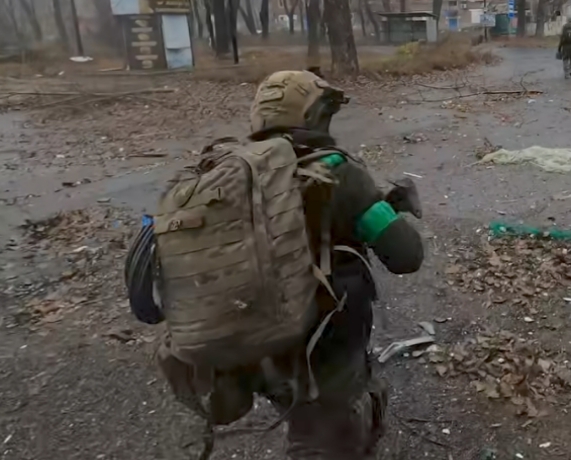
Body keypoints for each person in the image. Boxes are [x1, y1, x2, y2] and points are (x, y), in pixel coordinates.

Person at [144, 70, 425, 460]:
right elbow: (407, 256)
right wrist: (376, 208)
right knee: (322, 437)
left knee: (303, 413)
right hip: (322, 349)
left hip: (249, 343)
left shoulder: (223, 176)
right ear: (314, 117)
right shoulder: (338, 172)